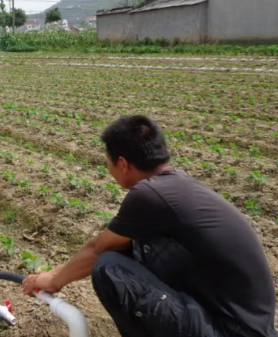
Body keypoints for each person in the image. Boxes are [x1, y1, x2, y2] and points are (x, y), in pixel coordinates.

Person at [23, 115, 277, 337]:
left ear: (122, 164)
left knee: (108, 268)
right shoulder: (176, 186)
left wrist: (53, 281)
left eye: (108, 162)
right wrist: (53, 274)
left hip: (230, 331)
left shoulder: (150, 194)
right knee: (132, 247)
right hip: (245, 325)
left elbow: (97, 250)